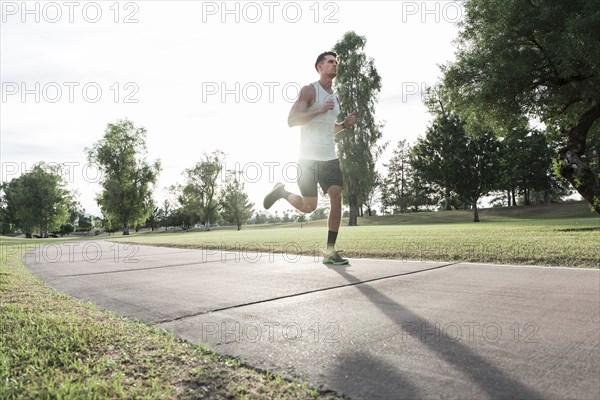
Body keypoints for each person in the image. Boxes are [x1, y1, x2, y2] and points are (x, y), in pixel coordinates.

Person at [263, 51, 356, 265]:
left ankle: (330, 251)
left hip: (329, 158)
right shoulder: (309, 91)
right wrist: (318, 110)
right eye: (330, 62)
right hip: (307, 159)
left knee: (336, 195)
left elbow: (327, 129)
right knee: (308, 207)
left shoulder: (335, 97)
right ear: (319, 67)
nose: (335, 65)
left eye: (336, 62)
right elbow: (292, 120)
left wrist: (344, 126)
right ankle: (282, 192)